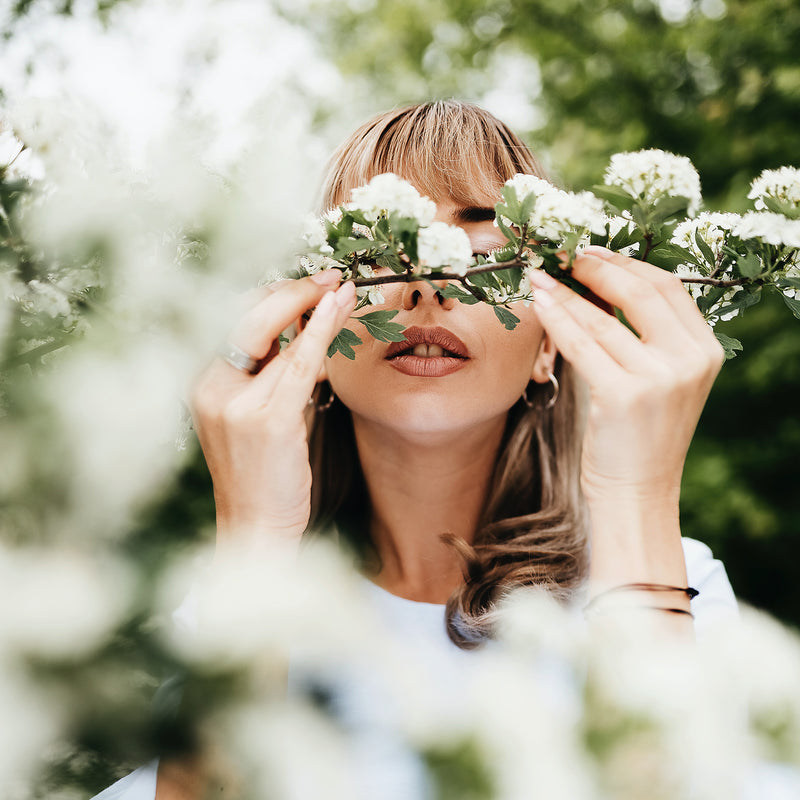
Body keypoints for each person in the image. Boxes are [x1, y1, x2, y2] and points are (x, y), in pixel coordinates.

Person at [96, 101, 739, 800]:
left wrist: (636, 499)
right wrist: (251, 529)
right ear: (311, 325)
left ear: (551, 340)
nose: (426, 285)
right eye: (377, 251)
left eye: (485, 256)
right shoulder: (239, 597)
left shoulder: (676, 581)